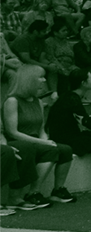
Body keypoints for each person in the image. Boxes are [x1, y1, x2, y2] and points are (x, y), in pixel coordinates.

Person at [2, 64, 75, 206]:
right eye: (40, 77)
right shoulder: (12, 101)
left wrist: (46, 141)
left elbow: (41, 130)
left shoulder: (39, 102)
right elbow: (12, 132)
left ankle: (50, 190)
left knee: (64, 149)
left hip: (35, 141)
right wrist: (44, 143)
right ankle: (24, 194)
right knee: (39, 148)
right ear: (29, 80)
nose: (44, 81)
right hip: (17, 141)